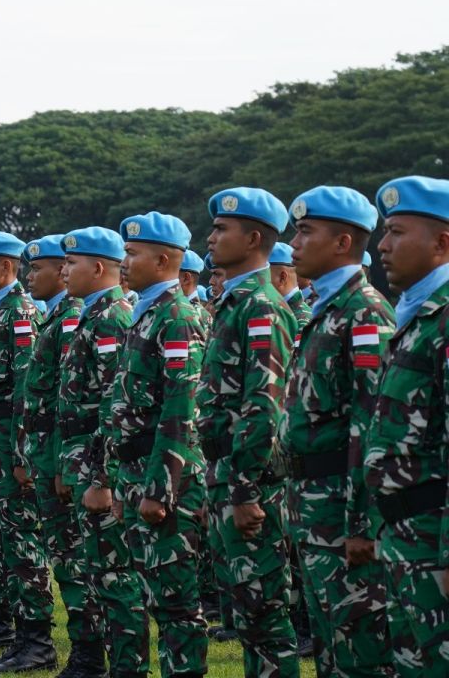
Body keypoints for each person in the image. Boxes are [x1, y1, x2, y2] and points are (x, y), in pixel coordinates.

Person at [285, 185, 397, 678]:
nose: (293, 243)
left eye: (306, 231)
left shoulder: (364, 312)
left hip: (341, 513)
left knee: (361, 650)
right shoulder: (325, 310)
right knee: (332, 648)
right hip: (314, 508)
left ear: (343, 243)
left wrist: (361, 524)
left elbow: (370, 424)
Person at [197, 187, 299, 678]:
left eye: (222, 230)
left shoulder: (261, 307)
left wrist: (243, 489)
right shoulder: (233, 304)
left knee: (263, 614)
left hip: (249, 484)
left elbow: (264, 408)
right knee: (246, 610)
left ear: (253, 238)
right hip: (225, 475)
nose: (211, 238)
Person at [111, 213, 209, 677]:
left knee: (175, 603)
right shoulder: (144, 311)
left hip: (165, 478)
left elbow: (180, 409)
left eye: (133, 254)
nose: (124, 262)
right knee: (155, 595)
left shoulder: (176, 316)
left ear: (164, 259)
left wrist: (160, 488)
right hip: (137, 473)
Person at [364, 176, 449, 676]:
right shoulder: (415, 315)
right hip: (403, 537)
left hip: (433, 542)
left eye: (397, 232)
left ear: (442, 242)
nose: (383, 245)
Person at [0, 231, 57, 674]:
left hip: (11, 443)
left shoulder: (18, 311)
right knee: (6, 540)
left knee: (22, 541)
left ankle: (38, 642)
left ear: (5, 268)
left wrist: (21, 454)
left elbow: (24, 387)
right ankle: (21, 637)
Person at [59, 226, 147, 678]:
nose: (63, 270)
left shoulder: (113, 317)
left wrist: (102, 477)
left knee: (116, 576)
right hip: (86, 460)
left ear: (97, 268)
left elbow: (116, 406)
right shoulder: (94, 315)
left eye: (71, 263)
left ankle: (129, 667)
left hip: (103, 464)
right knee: (98, 571)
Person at [21, 234, 105, 677]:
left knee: (76, 559)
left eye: (42, 269)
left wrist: (62, 465)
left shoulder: (76, 317)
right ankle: (79, 651)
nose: (30, 277)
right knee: (67, 556)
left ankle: (90, 654)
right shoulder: (62, 316)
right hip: (56, 455)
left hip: (75, 459)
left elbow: (78, 402)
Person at [270, 242, 313, 328]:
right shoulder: (279, 310)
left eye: (264, 276)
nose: (259, 281)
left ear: (282, 278)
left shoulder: (301, 321)